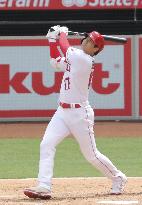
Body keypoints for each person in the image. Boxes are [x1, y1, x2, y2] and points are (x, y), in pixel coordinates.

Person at [24, 25, 127, 200]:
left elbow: (65, 47)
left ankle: (118, 177)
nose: (86, 41)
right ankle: (44, 186)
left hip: (80, 115)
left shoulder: (85, 59)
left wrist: (61, 33)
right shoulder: (76, 58)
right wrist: (51, 40)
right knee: (46, 144)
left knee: (91, 155)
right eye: (87, 39)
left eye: (91, 41)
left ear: (95, 49)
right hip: (62, 112)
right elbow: (56, 61)